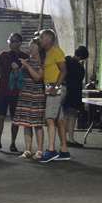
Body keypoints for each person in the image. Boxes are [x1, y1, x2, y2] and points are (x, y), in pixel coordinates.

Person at [33, 29, 68, 163]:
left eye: (41, 38)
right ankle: (64, 150)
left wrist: (56, 87)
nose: (40, 40)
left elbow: (64, 71)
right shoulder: (46, 53)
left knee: (49, 118)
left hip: (55, 87)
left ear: (48, 39)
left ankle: (51, 150)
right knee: (59, 119)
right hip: (50, 87)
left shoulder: (56, 52)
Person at [11, 37, 46, 158]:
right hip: (25, 94)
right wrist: (15, 70)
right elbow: (18, 77)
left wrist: (27, 65)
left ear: (39, 48)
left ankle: (40, 150)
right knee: (26, 124)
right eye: (30, 45)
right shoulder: (27, 61)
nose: (30, 48)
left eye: (33, 46)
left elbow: (38, 77)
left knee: (37, 124)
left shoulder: (42, 62)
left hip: (36, 95)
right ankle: (27, 150)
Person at [0, 32, 25, 154]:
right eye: (10, 40)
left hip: (16, 92)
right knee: (0, 116)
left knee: (15, 119)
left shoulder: (24, 57)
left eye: (14, 41)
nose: (12, 43)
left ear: (20, 43)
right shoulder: (3, 55)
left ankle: (13, 143)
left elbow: (26, 75)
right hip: (3, 91)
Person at [61, 45, 88, 151]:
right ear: (82, 57)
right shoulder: (81, 68)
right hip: (75, 94)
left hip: (66, 91)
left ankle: (64, 139)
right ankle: (71, 138)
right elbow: (80, 79)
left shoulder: (66, 60)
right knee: (72, 117)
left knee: (65, 117)